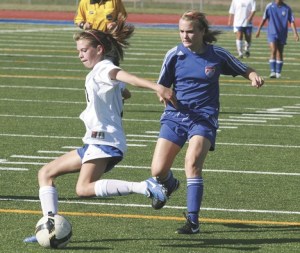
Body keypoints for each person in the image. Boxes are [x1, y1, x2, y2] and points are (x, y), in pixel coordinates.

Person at [24, 16, 177, 243]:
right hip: (95, 141)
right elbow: (123, 89)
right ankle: (49, 225)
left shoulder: (104, 68)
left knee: (83, 189)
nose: (80, 54)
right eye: (79, 51)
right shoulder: (98, 71)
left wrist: (156, 86)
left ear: (100, 49)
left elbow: (125, 77)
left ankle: (145, 186)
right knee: (45, 173)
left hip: (104, 140)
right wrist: (120, 93)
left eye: (85, 50)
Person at [147, 10, 264, 234]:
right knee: (158, 170)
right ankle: (170, 184)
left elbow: (243, 68)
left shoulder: (216, 54)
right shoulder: (174, 54)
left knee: (192, 163)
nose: (185, 36)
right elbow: (161, 86)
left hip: (204, 119)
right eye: (181, 31)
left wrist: (253, 76)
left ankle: (192, 221)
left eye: (190, 31)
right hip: (175, 117)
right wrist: (162, 94)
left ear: (202, 31)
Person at [256, 0, 299, 78]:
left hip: (282, 34)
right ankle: (272, 71)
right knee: (273, 50)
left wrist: (295, 33)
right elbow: (264, 19)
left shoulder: (287, 8)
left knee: (280, 52)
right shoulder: (269, 6)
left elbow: (291, 21)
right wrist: (259, 30)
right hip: (272, 33)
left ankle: (278, 72)